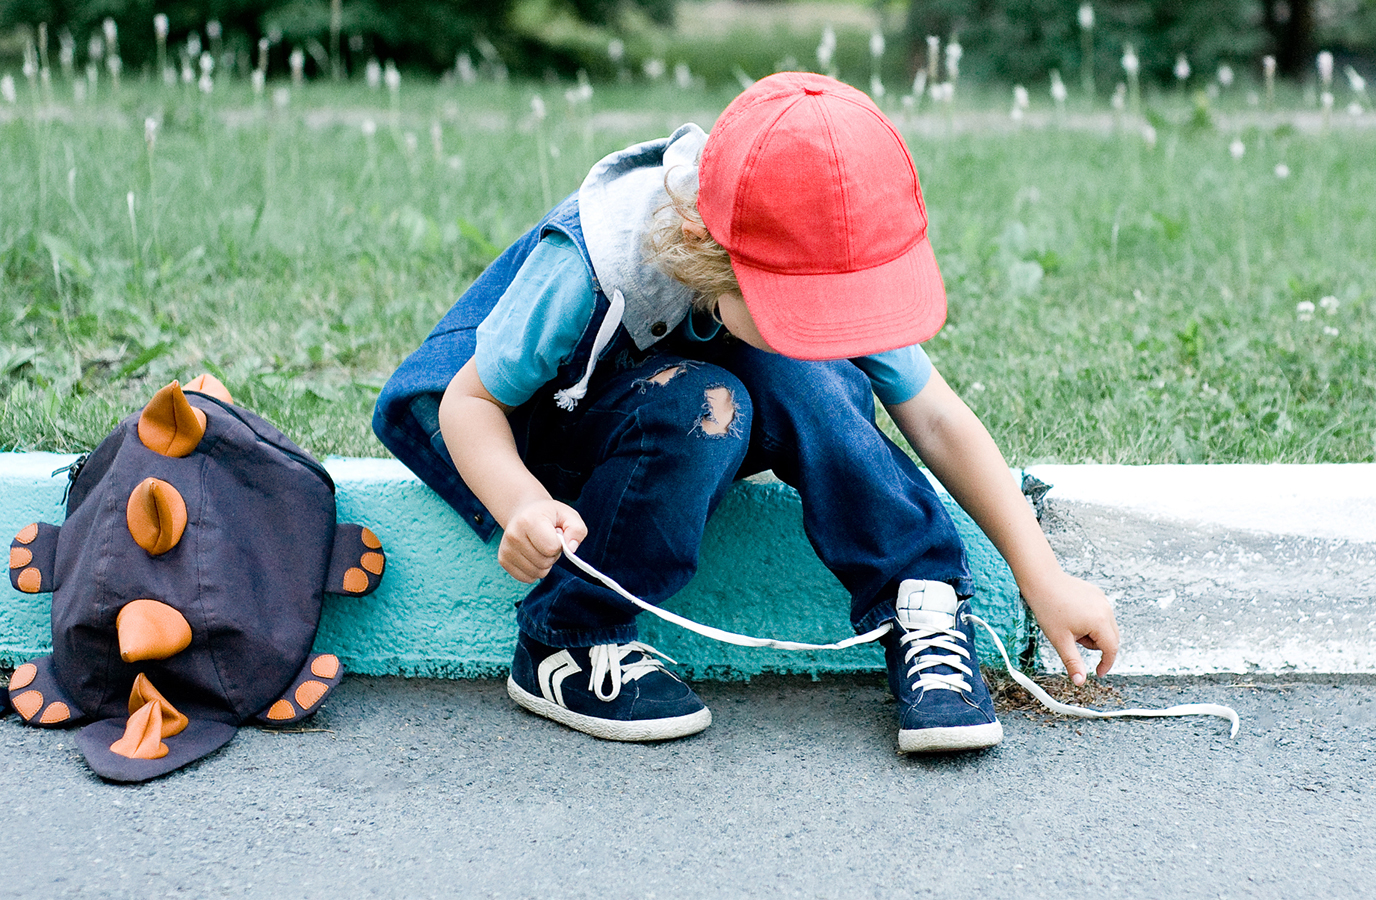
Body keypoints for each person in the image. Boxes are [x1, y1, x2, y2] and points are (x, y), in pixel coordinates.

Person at [373, 72, 1119, 752]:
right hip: (549, 436)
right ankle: (566, 636)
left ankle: (918, 604)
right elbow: (469, 401)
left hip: (687, 410)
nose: (829, 324)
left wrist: (1043, 577)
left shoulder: (814, 239)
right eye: (801, 305)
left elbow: (936, 417)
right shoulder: (589, 261)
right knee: (710, 399)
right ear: (704, 248)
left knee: (808, 378)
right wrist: (522, 504)